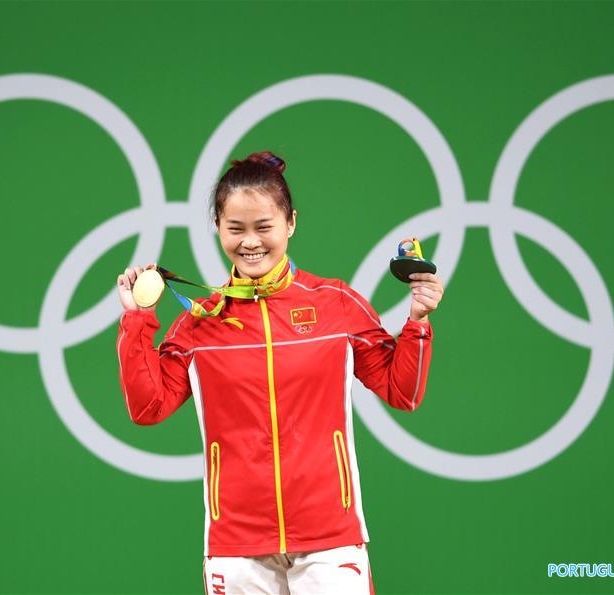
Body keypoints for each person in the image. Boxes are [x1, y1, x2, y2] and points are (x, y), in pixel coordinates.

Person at [115, 151, 444, 594]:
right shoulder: (200, 323)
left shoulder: (336, 304)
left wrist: (418, 322)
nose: (250, 242)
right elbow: (147, 407)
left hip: (331, 539)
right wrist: (137, 319)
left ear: (290, 223)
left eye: (263, 227)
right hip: (237, 546)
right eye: (236, 229)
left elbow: (401, 391)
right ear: (217, 227)